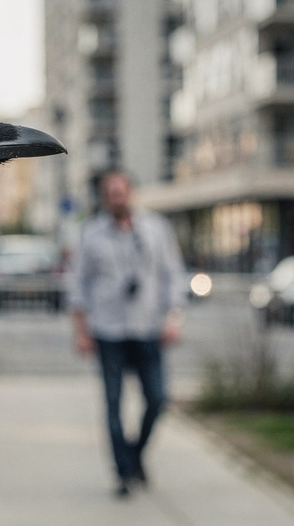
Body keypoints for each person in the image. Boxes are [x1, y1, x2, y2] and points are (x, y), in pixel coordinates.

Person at [69, 170, 187, 497]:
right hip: (108, 330)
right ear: (104, 197)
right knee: (113, 403)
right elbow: (78, 284)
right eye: (110, 192)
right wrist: (81, 330)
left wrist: (173, 318)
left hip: (149, 327)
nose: (116, 197)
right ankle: (123, 473)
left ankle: (134, 456)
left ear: (130, 192)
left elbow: (172, 275)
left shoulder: (156, 228)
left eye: (120, 191)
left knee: (158, 399)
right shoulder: (91, 233)